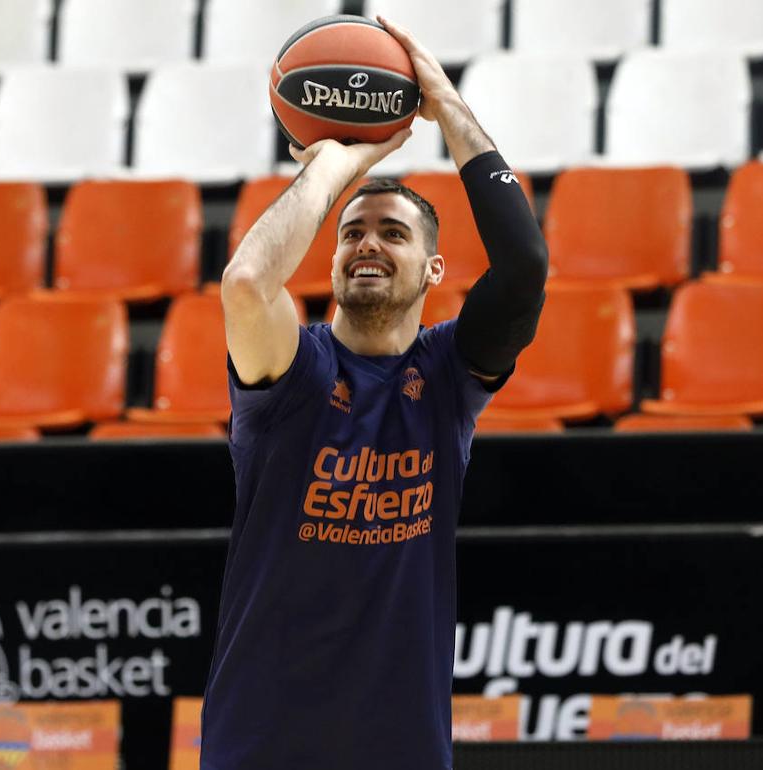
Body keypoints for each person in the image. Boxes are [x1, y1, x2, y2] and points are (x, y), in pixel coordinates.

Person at [200, 16, 549, 770]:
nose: (367, 244)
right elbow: (247, 283)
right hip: (260, 747)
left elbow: (522, 269)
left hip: (401, 749)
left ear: (432, 270)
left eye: (393, 234)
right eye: (353, 233)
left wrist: (446, 107)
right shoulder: (295, 373)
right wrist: (335, 166)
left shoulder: (449, 376)